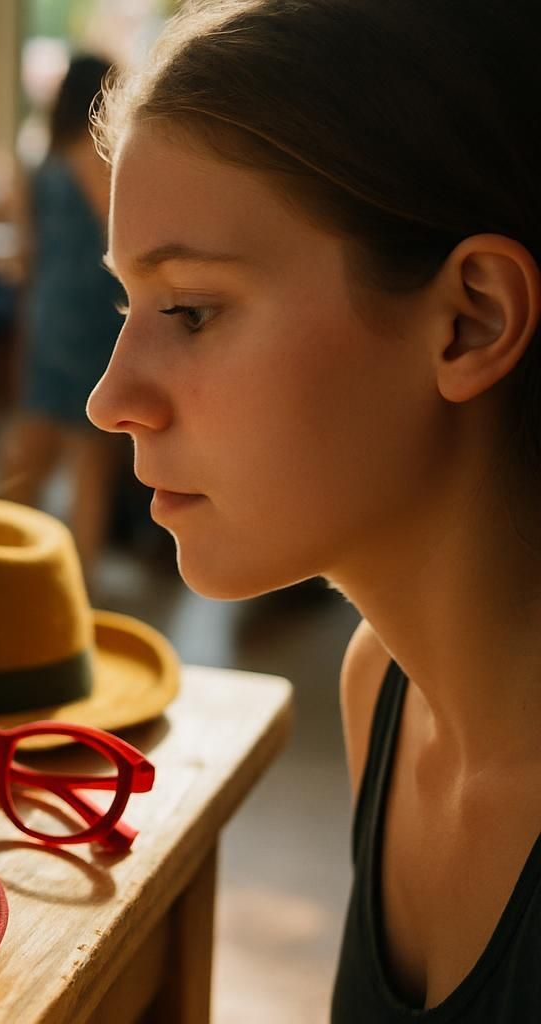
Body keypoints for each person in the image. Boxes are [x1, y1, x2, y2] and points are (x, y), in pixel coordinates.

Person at [86, 3, 541, 1018]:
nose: (110, 398)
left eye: (190, 310)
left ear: (471, 321)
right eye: (128, 306)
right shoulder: (384, 689)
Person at [0, 55, 127, 581]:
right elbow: (120, 235)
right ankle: (77, 580)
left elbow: (26, 253)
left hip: (49, 309)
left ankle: (5, 562)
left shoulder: (43, 161)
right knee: (88, 459)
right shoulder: (97, 156)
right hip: (91, 312)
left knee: (31, 449)